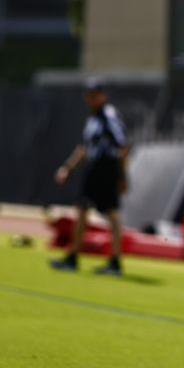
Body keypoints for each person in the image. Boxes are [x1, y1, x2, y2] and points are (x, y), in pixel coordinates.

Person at [50, 78, 130, 275]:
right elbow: (84, 148)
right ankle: (73, 257)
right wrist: (68, 167)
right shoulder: (93, 119)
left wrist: (122, 176)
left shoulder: (108, 116)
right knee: (82, 209)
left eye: (95, 95)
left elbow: (123, 146)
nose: (91, 99)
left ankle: (115, 261)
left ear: (103, 96)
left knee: (111, 212)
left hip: (106, 168)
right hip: (93, 168)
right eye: (89, 95)